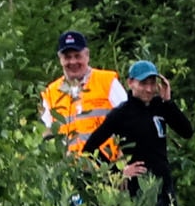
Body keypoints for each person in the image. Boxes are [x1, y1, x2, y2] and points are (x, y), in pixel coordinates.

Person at [102, 61, 186, 206]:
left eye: (152, 83)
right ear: (131, 83)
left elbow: (186, 131)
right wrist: (119, 172)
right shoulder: (121, 114)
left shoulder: (160, 107)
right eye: (143, 83)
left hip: (163, 186)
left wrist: (168, 102)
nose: (149, 89)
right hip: (135, 187)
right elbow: (92, 146)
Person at [37, 32, 127, 161]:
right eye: (67, 57)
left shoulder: (107, 82)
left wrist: (124, 161)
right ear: (60, 59)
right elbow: (47, 135)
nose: (73, 61)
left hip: (109, 170)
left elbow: (130, 121)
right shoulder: (51, 92)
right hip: (71, 172)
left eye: (77, 56)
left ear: (87, 55)